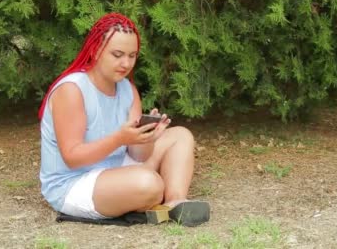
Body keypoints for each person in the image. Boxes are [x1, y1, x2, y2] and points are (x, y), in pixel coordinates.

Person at [38, 12, 210, 226]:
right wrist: (119, 138)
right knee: (149, 184)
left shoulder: (128, 90)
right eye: (117, 54)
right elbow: (72, 157)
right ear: (95, 50)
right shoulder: (72, 90)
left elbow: (138, 155)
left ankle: (175, 202)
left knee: (181, 136)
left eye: (132, 55)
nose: (126, 63)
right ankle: (148, 193)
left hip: (116, 168)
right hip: (74, 182)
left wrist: (147, 137)